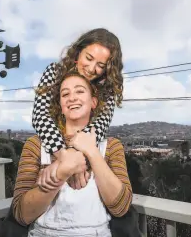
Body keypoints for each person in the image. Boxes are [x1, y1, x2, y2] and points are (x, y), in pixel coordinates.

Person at [13, 72, 132, 236]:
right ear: (61, 106)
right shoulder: (35, 145)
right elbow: (22, 214)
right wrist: (62, 172)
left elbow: (121, 207)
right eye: (65, 94)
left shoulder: (112, 146)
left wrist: (91, 151)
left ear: (93, 102)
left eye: (80, 91)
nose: (72, 98)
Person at [32, 28, 124, 189]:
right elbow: (40, 115)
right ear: (78, 52)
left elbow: (99, 126)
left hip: (87, 157)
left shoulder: (107, 89)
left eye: (100, 65)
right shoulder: (54, 72)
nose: (91, 68)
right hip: (50, 151)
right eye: (89, 58)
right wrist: (64, 157)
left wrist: (74, 157)